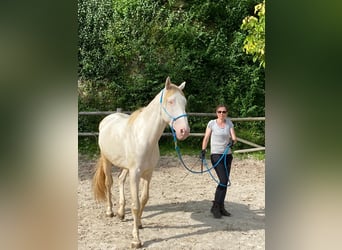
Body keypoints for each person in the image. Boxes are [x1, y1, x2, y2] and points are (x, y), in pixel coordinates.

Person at [201, 104, 237, 218]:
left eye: (224, 112)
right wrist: (203, 150)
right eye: (219, 112)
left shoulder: (229, 123)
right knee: (223, 180)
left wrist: (232, 142)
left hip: (227, 155)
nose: (222, 114)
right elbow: (206, 137)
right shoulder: (211, 123)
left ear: (227, 113)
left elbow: (234, 138)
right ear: (216, 113)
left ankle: (221, 207)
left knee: (224, 182)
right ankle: (215, 207)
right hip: (216, 155)